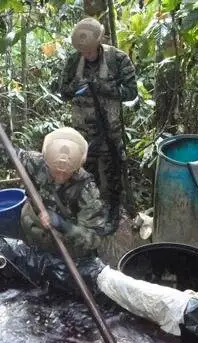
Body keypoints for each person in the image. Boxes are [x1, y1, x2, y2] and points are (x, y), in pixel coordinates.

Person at [0, 94, 108, 258]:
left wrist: (61, 224)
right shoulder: (35, 162)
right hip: (34, 230)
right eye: (55, 169)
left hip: (65, 246)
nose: (60, 174)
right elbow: (1, 153)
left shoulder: (86, 188)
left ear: (78, 166)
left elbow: (93, 239)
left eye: (66, 172)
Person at [59, 17, 138, 232]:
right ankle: (89, 213)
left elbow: (131, 93)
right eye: (83, 51)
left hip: (109, 129)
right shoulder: (74, 61)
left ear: (98, 44)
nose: (87, 55)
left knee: (113, 173)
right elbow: (63, 92)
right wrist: (78, 86)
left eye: (90, 51)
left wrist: (102, 87)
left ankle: (114, 213)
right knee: (85, 173)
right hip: (83, 131)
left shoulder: (118, 59)